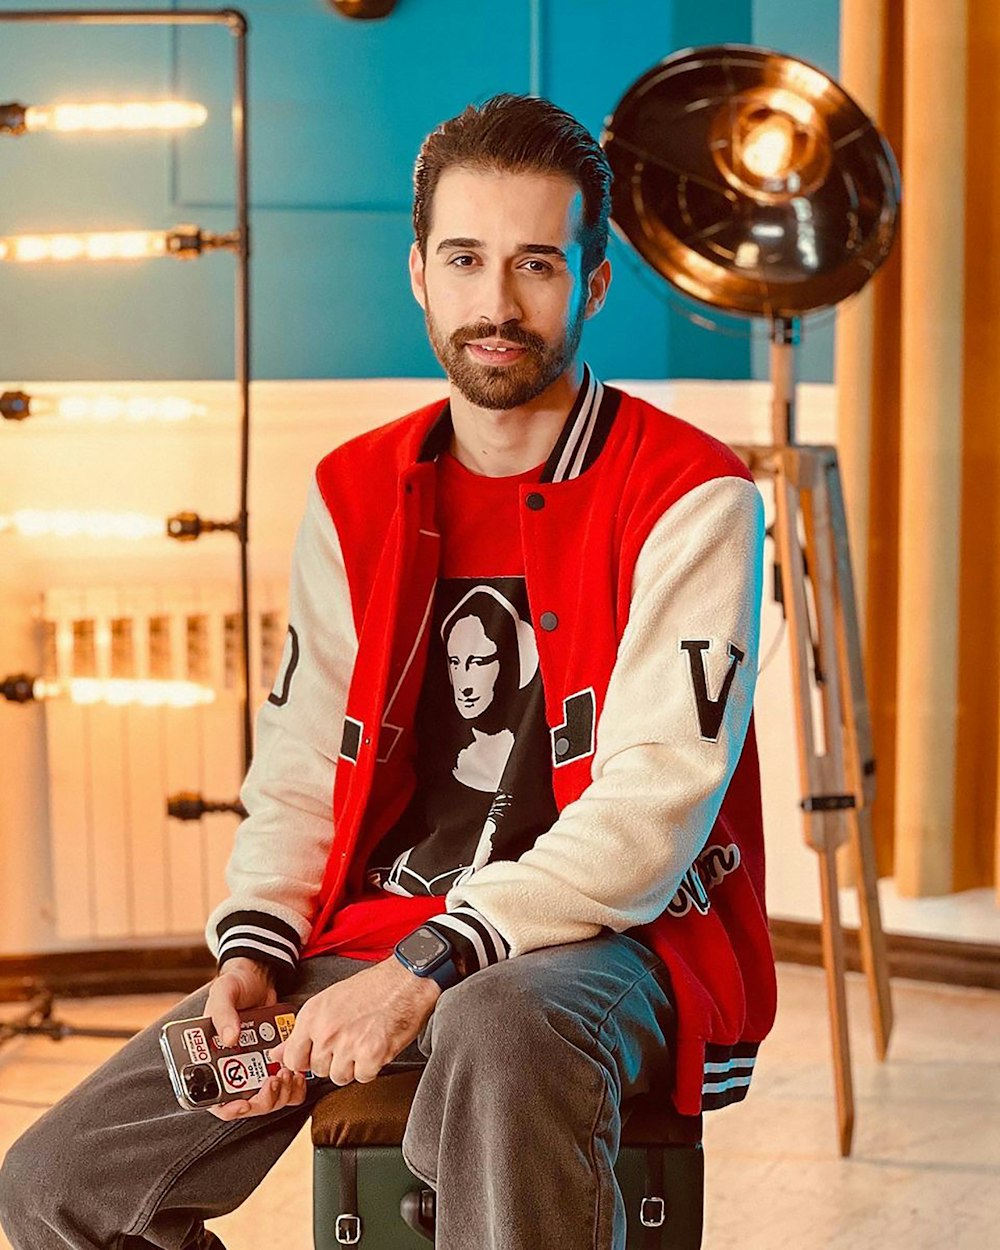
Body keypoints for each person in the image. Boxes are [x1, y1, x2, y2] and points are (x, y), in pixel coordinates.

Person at [0, 93, 777, 1250]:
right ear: (418, 271)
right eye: (464, 259)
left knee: (501, 1029)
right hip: (375, 937)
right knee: (57, 1183)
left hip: (606, 946)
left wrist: (431, 962)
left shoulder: (692, 495)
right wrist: (257, 943)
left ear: (594, 283)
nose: (496, 305)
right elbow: (305, 758)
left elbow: (647, 818)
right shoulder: (353, 489)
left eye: (536, 265)